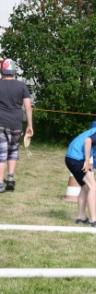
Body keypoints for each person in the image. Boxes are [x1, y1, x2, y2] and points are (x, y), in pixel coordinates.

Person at [0, 58, 33, 193]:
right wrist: (29, 125)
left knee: (1, 153)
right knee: (12, 151)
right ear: (14, 71)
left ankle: (0, 183)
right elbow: (28, 107)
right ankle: (11, 178)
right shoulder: (22, 86)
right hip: (16, 124)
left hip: (0, 123)